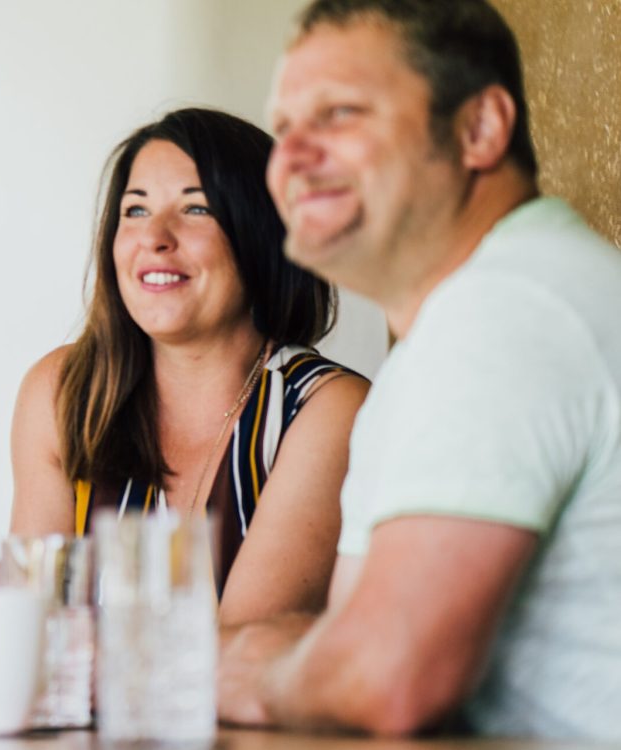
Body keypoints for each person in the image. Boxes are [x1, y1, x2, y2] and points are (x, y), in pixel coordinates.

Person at [0, 108, 369, 713]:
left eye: (195, 207)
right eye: (134, 210)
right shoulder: (60, 393)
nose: (154, 236)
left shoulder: (327, 411)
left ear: (262, 233)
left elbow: (232, 664)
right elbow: (36, 632)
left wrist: (14, 667)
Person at [217, 0, 621, 739]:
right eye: (284, 128)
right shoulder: (471, 318)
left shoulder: (507, 310)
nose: (292, 158)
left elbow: (378, 678)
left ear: (479, 129)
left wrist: (204, 665)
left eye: (339, 114)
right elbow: (350, 649)